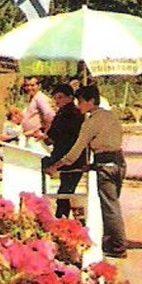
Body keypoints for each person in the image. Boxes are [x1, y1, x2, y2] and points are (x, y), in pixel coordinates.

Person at [47, 83, 127, 257]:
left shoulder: (91, 122)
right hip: (119, 162)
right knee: (113, 204)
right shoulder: (111, 116)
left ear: (91, 101)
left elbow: (75, 151)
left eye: (81, 101)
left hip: (105, 164)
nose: (79, 105)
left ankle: (118, 246)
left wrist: (56, 166)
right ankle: (111, 240)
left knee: (109, 207)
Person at [40, 82, 84, 219]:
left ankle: (61, 220)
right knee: (65, 191)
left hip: (65, 157)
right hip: (74, 156)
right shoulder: (77, 113)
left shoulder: (65, 114)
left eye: (60, 97)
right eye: (56, 98)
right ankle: (63, 219)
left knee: (65, 193)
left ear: (70, 97)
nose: (57, 101)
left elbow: (53, 137)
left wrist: (42, 136)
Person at [19, 77, 55, 147]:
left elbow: (50, 115)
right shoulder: (33, 98)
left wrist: (44, 132)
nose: (29, 88)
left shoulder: (40, 98)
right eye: (27, 85)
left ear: (39, 86)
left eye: (32, 85)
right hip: (29, 137)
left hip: (36, 139)